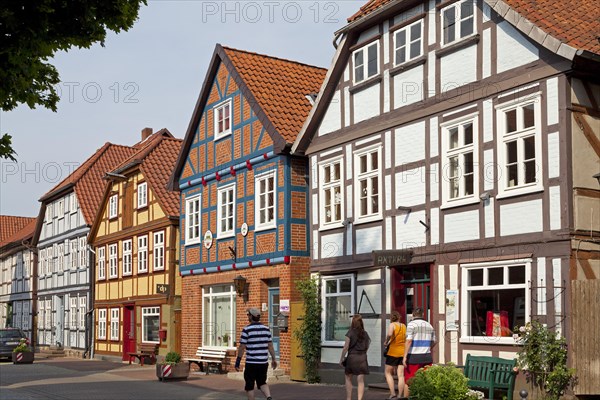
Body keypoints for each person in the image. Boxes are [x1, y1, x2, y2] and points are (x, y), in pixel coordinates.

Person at [235, 308, 278, 400]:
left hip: (251, 363)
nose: (247, 317)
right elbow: (270, 346)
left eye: (248, 315)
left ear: (251, 316)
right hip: (263, 362)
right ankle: (269, 397)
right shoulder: (266, 329)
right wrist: (274, 359)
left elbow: (242, 347)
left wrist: (238, 361)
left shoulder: (246, 330)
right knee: (262, 382)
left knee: (249, 385)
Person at [402, 307, 436, 398]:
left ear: (412, 315)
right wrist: (427, 348)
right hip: (427, 357)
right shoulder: (429, 325)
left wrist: (404, 356)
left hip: (413, 357)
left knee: (409, 381)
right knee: (425, 381)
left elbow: (408, 341)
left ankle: (407, 399)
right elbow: (434, 341)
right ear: (423, 315)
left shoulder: (411, 325)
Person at [339, 314, 371, 400]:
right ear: (361, 322)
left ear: (353, 322)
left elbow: (346, 347)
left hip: (352, 358)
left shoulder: (350, 332)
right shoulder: (365, 333)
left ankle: (349, 398)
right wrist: (363, 353)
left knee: (348, 377)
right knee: (360, 380)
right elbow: (367, 346)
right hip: (362, 358)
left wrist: (341, 358)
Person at [384, 310, 407, 399]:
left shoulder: (392, 325)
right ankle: (400, 395)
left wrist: (386, 341)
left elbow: (390, 334)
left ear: (391, 318)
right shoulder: (404, 326)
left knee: (388, 372)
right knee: (400, 375)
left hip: (393, 352)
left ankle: (393, 393)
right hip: (402, 352)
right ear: (399, 317)